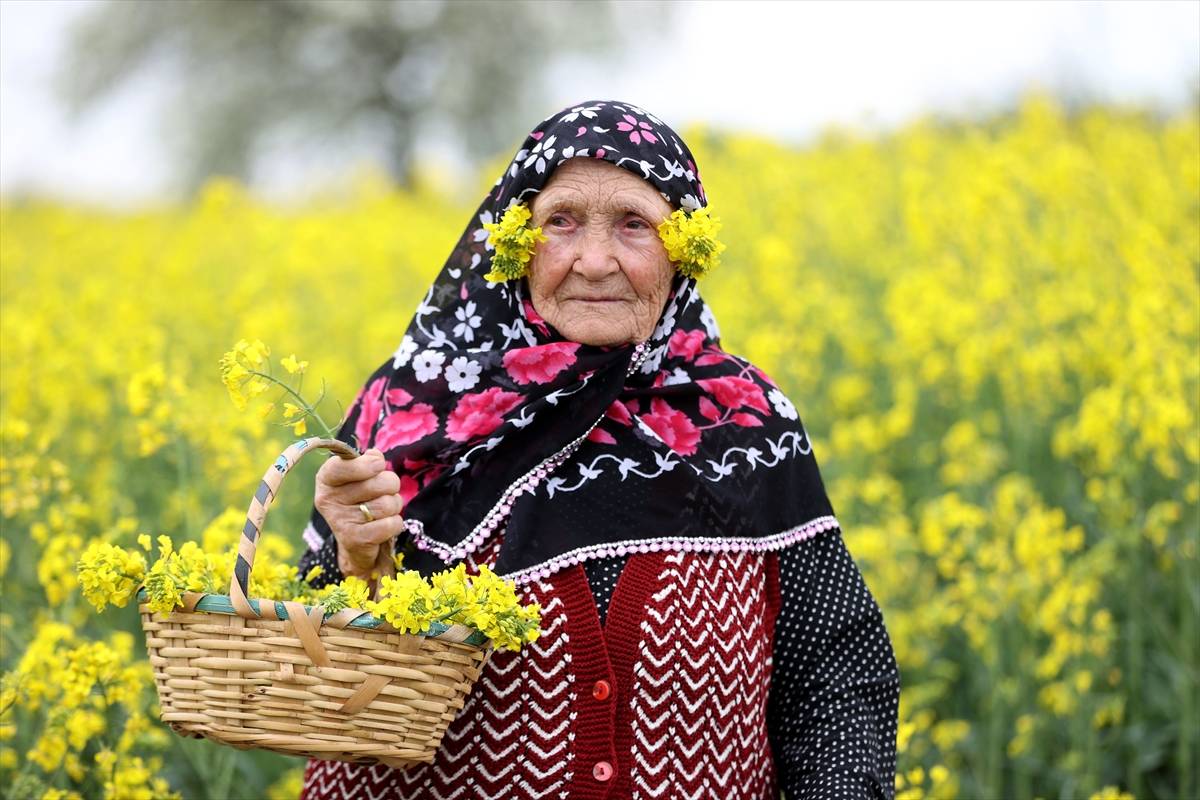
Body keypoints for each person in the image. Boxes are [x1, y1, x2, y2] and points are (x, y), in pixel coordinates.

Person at [295, 99, 900, 799]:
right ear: (515, 242)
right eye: (561, 222)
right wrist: (356, 562)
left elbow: (835, 677)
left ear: (684, 249)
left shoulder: (747, 422)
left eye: (634, 224)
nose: (594, 261)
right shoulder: (409, 414)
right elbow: (322, 694)